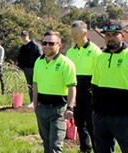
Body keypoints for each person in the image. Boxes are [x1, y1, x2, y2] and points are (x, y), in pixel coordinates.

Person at [33, 31, 77, 153]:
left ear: (59, 45)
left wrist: (70, 107)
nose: (47, 46)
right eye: (44, 43)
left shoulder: (66, 63)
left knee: (55, 146)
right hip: (41, 109)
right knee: (46, 145)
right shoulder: (38, 61)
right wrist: (35, 104)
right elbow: (35, 83)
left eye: (51, 43)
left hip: (58, 111)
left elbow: (72, 87)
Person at [91, 21, 128, 153]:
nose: (110, 38)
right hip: (101, 115)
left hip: (123, 115)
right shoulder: (99, 58)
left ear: (122, 36)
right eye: (107, 35)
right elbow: (95, 85)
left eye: (114, 34)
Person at [66, 20, 101, 153]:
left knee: (91, 124)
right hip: (75, 91)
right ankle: (85, 149)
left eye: (76, 33)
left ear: (85, 33)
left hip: (90, 91)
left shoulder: (95, 51)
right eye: (72, 33)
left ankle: (98, 149)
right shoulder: (70, 52)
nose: (74, 36)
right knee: (80, 123)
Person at [17, 30, 42, 107]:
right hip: (27, 69)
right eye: (23, 36)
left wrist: (39, 67)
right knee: (30, 85)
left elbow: (40, 56)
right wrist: (18, 67)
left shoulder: (35, 45)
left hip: (35, 68)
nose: (24, 37)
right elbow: (21, 59)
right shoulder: (23, 47)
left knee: (37, 85)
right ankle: (32, 101)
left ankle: (39, 101)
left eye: (25, 35)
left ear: (28, 36)